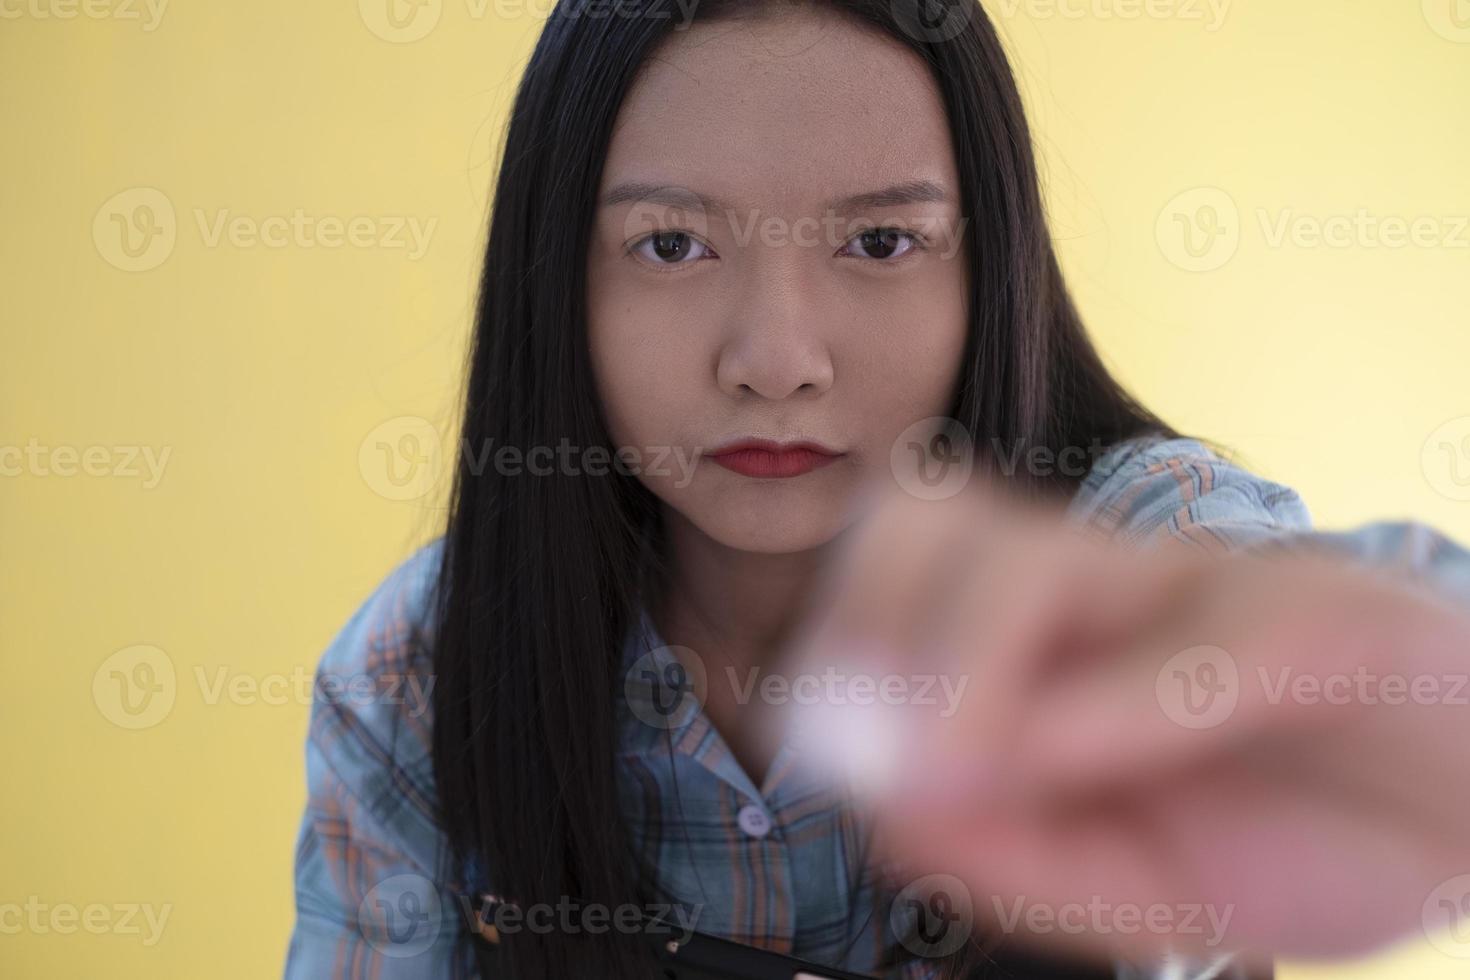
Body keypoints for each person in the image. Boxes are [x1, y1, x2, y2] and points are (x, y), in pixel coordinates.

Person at [283, 1, 1470, 977]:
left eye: (881, 243)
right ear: (554, 278)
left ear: (989, 263)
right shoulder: (414, 685)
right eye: (671, 244)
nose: (777, 359)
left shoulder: (1118, 534)